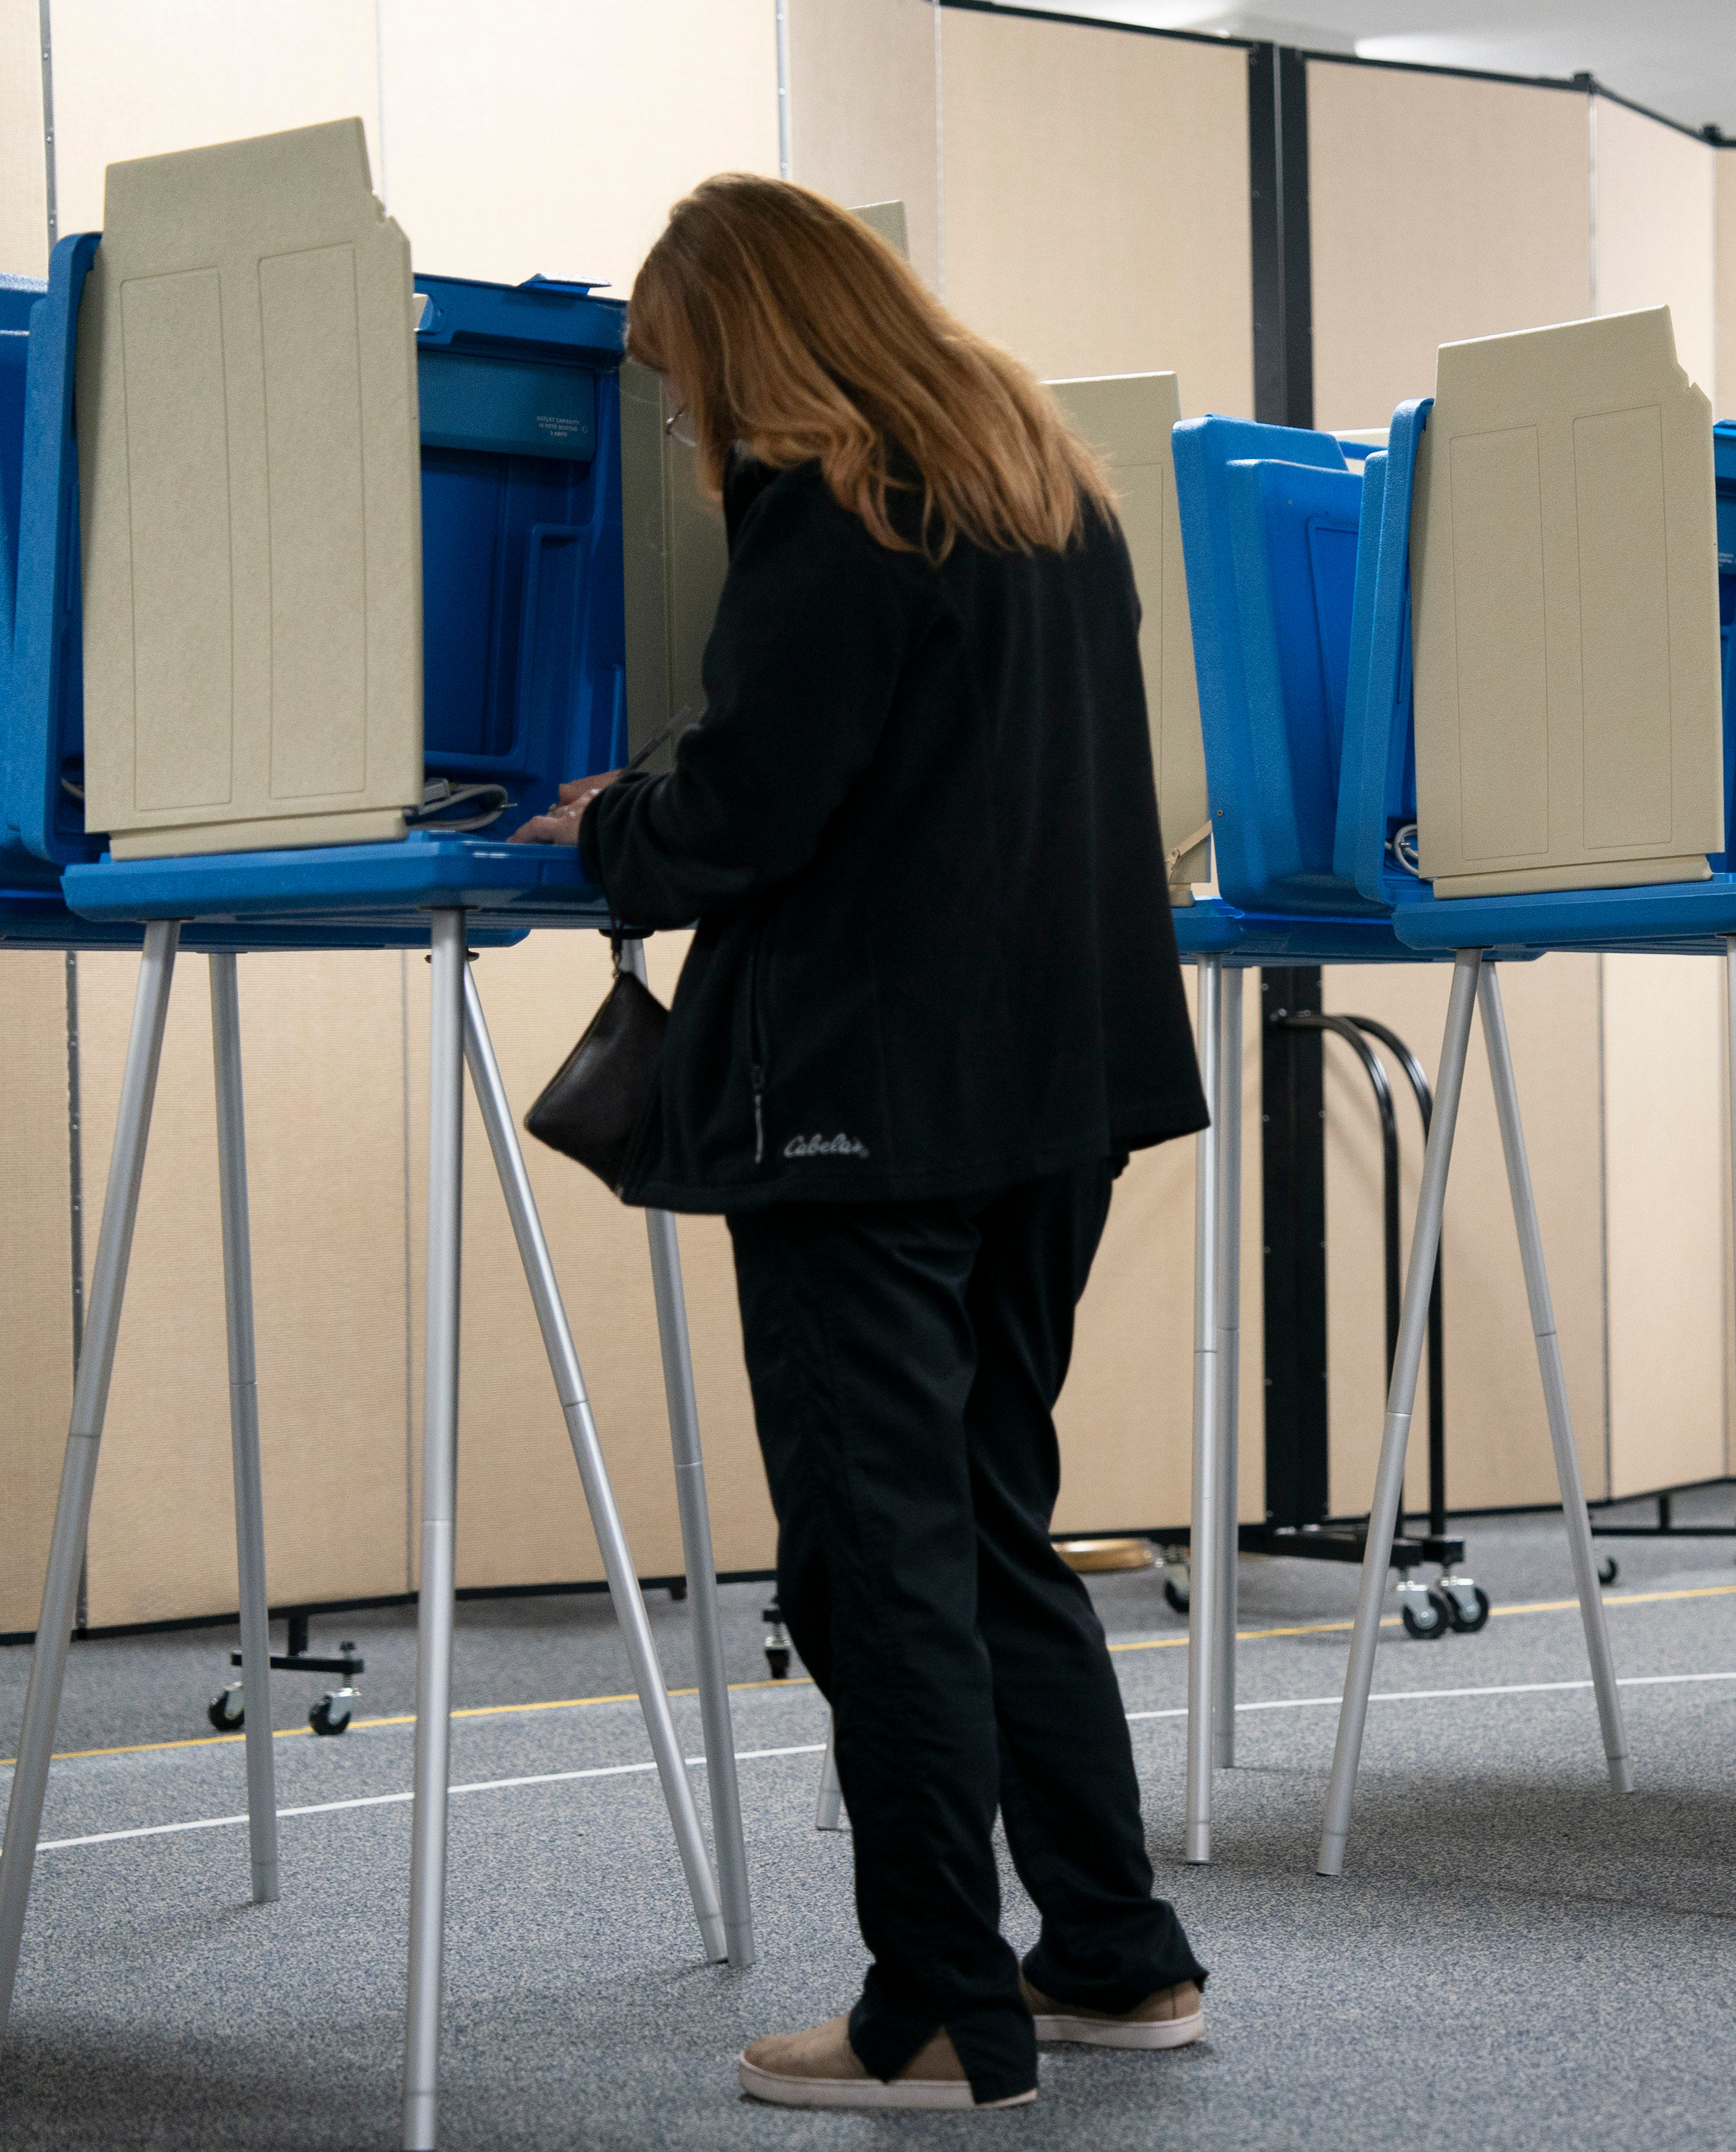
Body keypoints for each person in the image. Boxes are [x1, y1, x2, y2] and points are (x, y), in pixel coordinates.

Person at [514, 176, 1211, 2110]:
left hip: (863, 1115)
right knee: (989, 1522)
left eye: (678, 387)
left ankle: (933, 2010)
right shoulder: (1037, 482)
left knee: (873, 1557)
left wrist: (601, 826)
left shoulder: (840, 505)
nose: (682, 429)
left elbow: (753, 807)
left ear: (751, 343)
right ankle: (1114, 1953)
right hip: (1054, 1095)